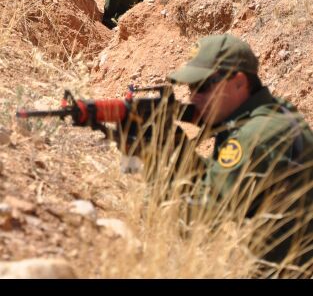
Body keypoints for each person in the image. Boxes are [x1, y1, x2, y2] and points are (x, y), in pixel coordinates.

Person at [126, 33, 313, 271]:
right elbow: (217, 180)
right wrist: (179, 150)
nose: (193, 97)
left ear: (238, 81)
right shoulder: (272, 114)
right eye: (191, 87)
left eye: (202, 86)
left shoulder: (253, 135)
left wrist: (156, 162)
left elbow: (195, 223)